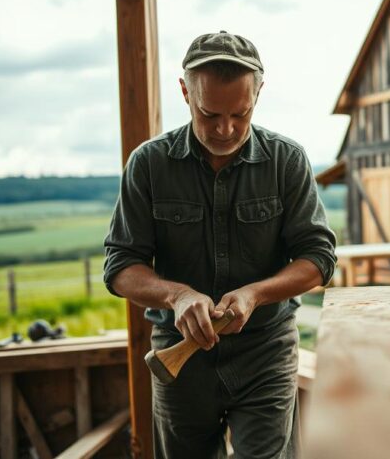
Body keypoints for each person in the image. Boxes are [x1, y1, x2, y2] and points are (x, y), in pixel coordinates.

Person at [103, 30, 337, 459]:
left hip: (265, 352)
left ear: (258, 93)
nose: (226, 129)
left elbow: (318, 259)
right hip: (179, 358)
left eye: (241, 114)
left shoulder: (287, 160)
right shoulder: (148, 164)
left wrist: (255, 294)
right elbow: (121, 266)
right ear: (184, 92)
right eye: (209, 114)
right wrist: (177, 295)